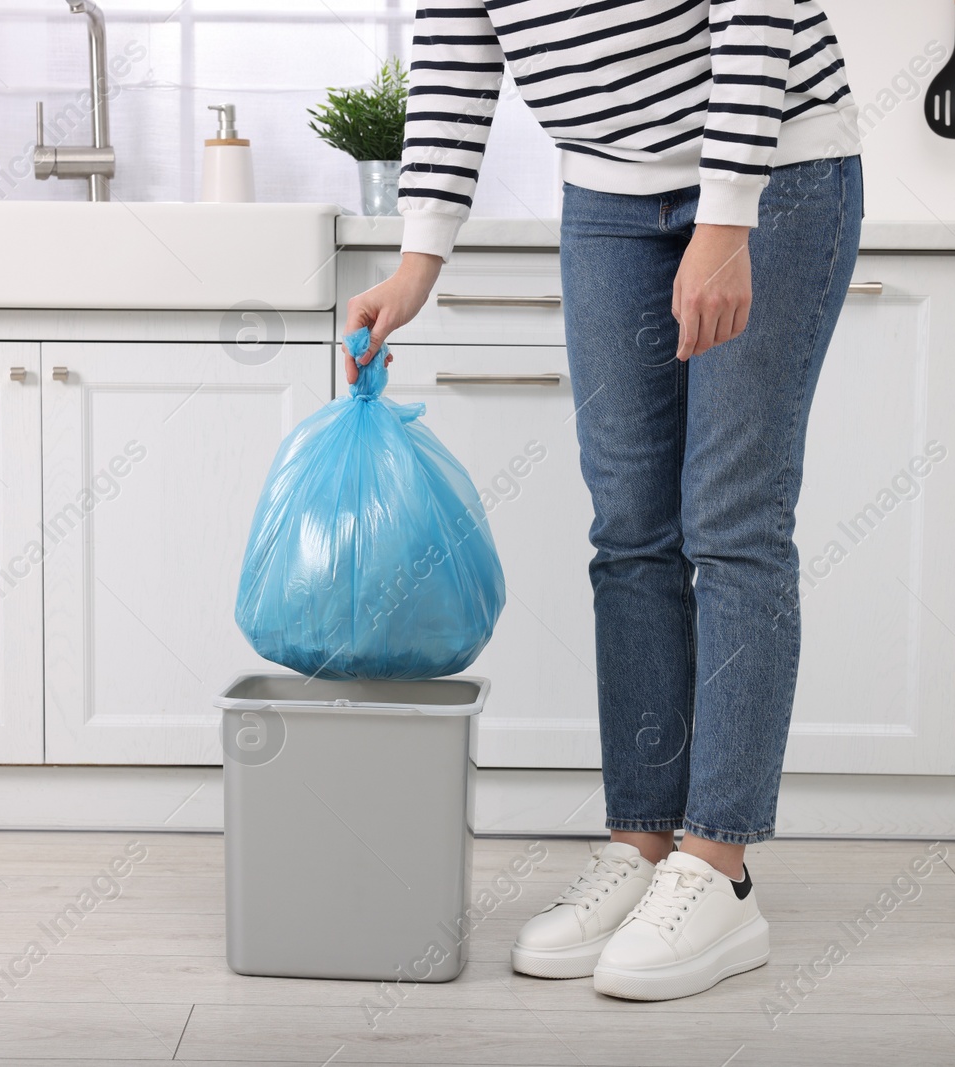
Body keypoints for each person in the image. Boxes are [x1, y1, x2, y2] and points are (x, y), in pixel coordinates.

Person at [344, 0, 863, 1002]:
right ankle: (643, 841)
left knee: (732, 521)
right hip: (606, 194)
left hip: (778, 171)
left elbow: (754, 13)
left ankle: (718, 868)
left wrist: (724, 219)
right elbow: (456, 48)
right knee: (629, 530)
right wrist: (419, 259)